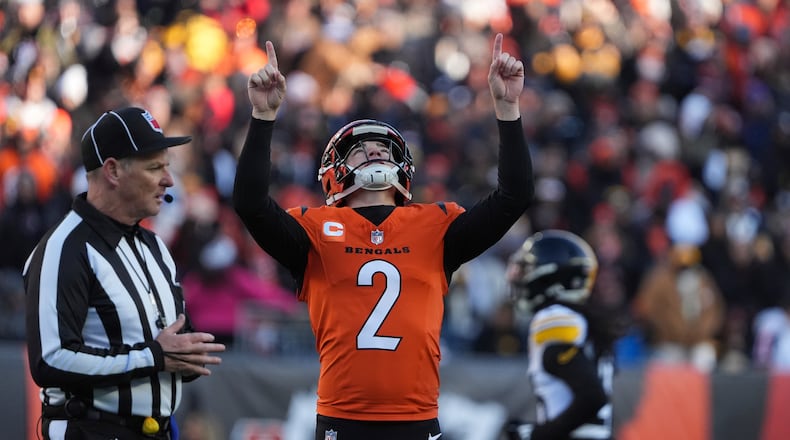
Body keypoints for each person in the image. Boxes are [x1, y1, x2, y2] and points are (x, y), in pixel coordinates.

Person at [233, 34, 533, 440]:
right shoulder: (315, 230)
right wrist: (263, 117)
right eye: (360, 150)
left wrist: (507, 109)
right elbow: (250, 203)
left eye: (383, 149)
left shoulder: (435, 226)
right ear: (333, 173)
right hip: (343, 418)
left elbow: (514, 197)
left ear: (404, 169)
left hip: (416, 418)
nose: (375, 153)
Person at [24, 106, 226, 440]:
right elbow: (50, 359)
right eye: (154, 167)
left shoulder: (155, 246)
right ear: (113, 171)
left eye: (167, 166)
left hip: (154, 431)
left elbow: (169, 340)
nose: (169, 179)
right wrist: (153, 357)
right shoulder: (64, 249)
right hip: (91, 430)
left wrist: (185, 353)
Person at [504, 230, 615, 440]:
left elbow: (592, 397)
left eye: (528, 268)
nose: (520, 276)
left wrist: (537, 435)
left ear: (551, 275)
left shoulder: (554, 318)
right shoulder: (584, 320)